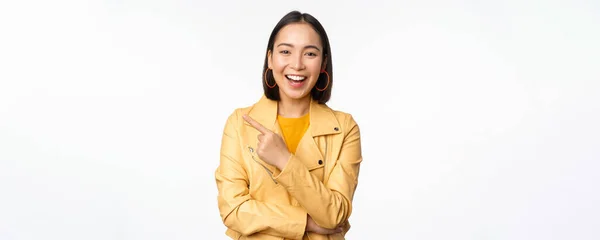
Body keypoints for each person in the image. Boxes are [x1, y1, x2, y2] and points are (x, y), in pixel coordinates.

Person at [215, 10, 363, 240]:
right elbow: (233, 210)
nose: (296, 64)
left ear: (323, 62)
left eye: (310, 54)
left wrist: (284, 159)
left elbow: (335, 214)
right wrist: (305, 223)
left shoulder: (344, 128)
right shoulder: (239, 123)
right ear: (271, 58)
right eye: (285, 51)